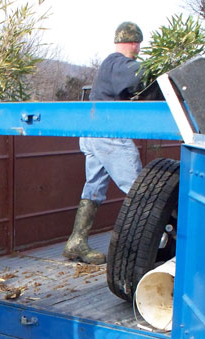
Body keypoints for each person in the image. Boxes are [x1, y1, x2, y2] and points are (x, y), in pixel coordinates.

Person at [63, 21, 144, 265]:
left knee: (94, 186)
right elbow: (139, 77)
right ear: (134, 43)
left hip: (92, 133)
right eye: (138, 44)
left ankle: (76, 242)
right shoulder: (119, 63)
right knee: (140, 189)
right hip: (108, 133)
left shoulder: (109, 65)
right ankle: (142, 249)